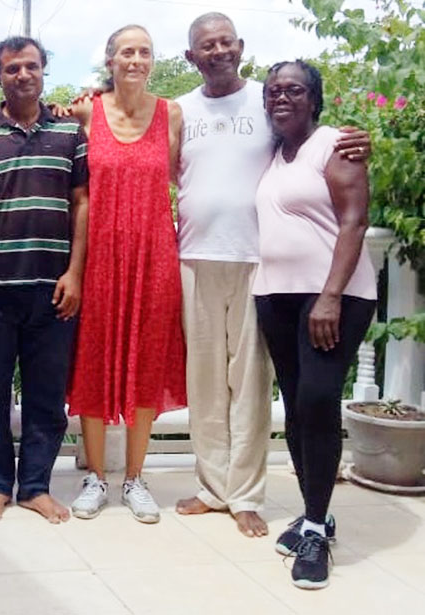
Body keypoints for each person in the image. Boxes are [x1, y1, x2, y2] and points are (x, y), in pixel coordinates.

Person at [173, 12, 371, 538]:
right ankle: (213, 487)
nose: (217, 51)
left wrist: (357, 141)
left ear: (239, 48)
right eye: (204, 46)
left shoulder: (269, 103)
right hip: (193, 256)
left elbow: (318, 140)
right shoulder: (180, 110)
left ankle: (245, 495)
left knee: (252, 384)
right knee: (207, 381)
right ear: (191, 57)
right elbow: (166, 168)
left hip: (257, 264)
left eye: (225, 42)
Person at [0, 36, 89, 524]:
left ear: (44, 69)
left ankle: (35, 486)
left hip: (54, 288)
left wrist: (75, 272)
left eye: (31, 66)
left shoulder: (70, 132)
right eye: (12, 69)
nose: (23, 75)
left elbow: (82, 203)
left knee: (47, 394)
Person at [253, 60, 375, 589]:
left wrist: (330, 296)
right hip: (276, 296)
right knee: (299, 408)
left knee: (318, 402)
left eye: (294, 90)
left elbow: (355, 219)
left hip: (333, 297)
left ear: (314, 97)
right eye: (274, 90)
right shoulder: (273, 153)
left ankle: (315, 537)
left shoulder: (334, 144)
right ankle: (314, 515)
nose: (283, 98)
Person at [65, 25, 185, 524]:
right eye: (126, 52)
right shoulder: (85, 110)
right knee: (93, 361)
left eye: (144, 52)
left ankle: (135, 478)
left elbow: (183, 177)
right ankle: (96, 477)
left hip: (154, 256)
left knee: (146, 363)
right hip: (98, 258)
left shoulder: (172, 113)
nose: (136, 59)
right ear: (110, 60)